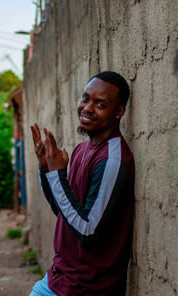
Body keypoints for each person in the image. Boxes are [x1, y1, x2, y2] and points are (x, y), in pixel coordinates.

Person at [29, 71, 135, 296]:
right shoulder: (81, 150)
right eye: (86, 98)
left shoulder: (112, 160)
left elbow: (87, 229)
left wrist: (58, 175)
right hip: (59, 278)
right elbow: (65, 214)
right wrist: (46, 169)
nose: (87, 108)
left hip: (86, 287)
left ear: (119, 112)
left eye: (100, 104)